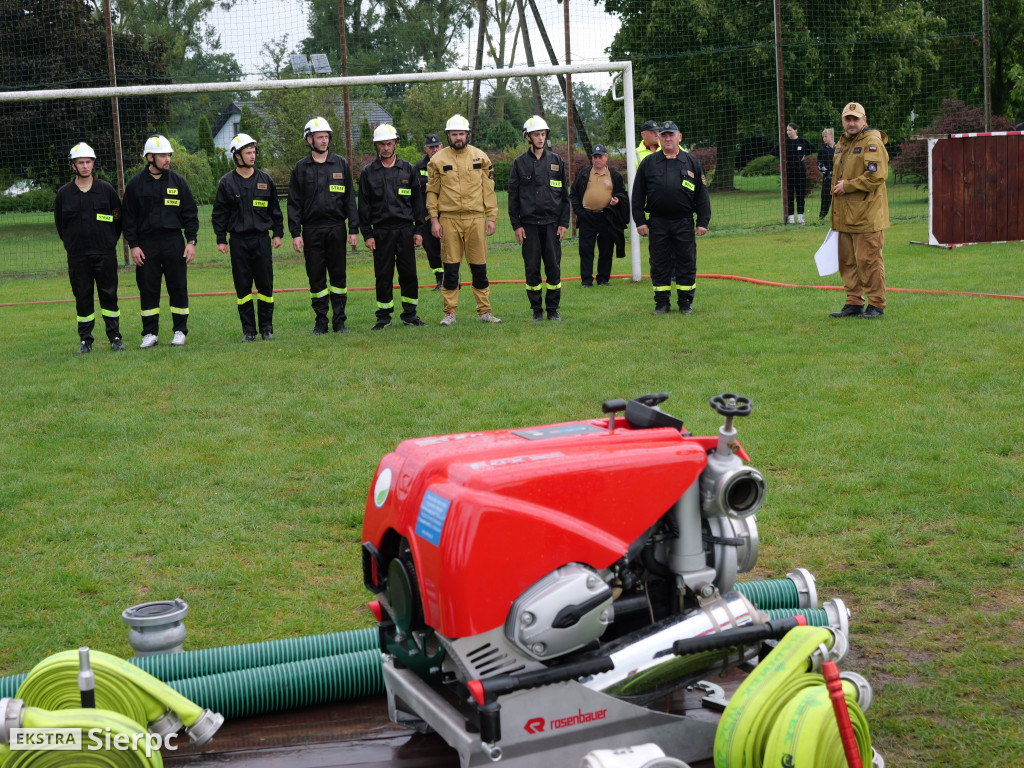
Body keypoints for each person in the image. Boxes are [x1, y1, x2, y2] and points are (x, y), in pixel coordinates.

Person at [122, 135, 199, 349]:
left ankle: (180, 331)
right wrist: (134, 245)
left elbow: (191, 214)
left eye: (169, 155)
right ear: (150, 157)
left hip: (174, 242)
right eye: (163, 155)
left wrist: (191, 241)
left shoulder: (178, 182)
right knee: (148, 288)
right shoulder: (136, 184)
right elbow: (128, 219)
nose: (168, 159)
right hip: (146, 245)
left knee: (178, 287)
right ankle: (149, 333)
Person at [426, 113, 501, 326]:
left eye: (461, 133)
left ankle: (484, 311)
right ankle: (450, 313)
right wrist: (434, 219)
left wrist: (491, 217)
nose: (458, 137)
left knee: (479, 267)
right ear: (448, 136)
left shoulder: (481, 158)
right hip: (449, 220)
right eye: (454, 134)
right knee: (450, 268)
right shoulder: (437, 160)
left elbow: (489, 189)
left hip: (476, 218)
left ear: (467, 134)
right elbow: (432, 192)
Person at [288, 116, 359, 335]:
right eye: (319, 137)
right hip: (311, 230)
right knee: (316, 276)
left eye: (326, 137)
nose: (324, 141)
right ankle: (321, 322)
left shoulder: (340, 164)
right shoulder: (301, 168)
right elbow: (294, 203)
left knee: (338, 276)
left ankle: (339, 321)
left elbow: (350, 200)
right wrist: (295, 233)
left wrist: (353, 229)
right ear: (309, 140)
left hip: (336, 228)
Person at [631, 121, 711, 315]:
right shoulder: (649, 163)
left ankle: (685, 303)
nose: (668, 139)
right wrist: (640, 220)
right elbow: (638, 194)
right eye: (664, 135)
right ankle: (662, 303)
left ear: (679, 137)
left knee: (686, 261)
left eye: (671, 135)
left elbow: (702, 194)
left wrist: (703, 221)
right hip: (657, 221)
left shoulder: (691, 162)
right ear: (659, 138)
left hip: (684, 221)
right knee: (659, 263)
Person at [54, 142, 125, 353]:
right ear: (73, 166)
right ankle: (86, 340)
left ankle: (115, 337)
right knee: (82, 297)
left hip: (105, 254)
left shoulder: (106, 190)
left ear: (93, 164)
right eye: (80, 162)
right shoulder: (64, 194)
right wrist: (71, 244)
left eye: (88, 162)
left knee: (109, 295)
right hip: (78, 256)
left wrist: (109, 242)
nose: (85, 166)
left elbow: (117, 218)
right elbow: (60, 224)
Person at [212, 133, 283, 341]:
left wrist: (277, 233)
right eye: (248, 152)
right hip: (238, 242)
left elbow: (275, 211)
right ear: (237, 156)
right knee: (243, 287)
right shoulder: (226, 182)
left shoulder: (265, 179)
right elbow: (219, 214)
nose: (252, 156)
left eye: (254, 152)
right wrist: (220, 238)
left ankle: (267, 329)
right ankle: (249, 331)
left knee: (265, 286)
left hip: (261, 240)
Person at [358, 124, 426, 330]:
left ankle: (410, 314)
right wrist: (367, 234)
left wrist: (418, 230)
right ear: (376, 146)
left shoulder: (408, 169)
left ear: (395, 143)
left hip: (405, 230)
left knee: (409, 274)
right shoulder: (369, 173)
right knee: (383, 274)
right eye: (381, 144)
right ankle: (384, 317)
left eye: (389, 143)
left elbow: (417, 203)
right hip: (381, 232)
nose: (386, 148)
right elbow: (364, 206)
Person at [829, 102, 889, 319]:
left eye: (856, 118)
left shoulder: (872, 142)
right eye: (848, 119)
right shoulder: (843, 142)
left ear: (864, 120)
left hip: (866, 215)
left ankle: (876, 304)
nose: (851, 122)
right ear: (843, 121)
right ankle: (853, 302)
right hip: (844, 215)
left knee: (868, 260)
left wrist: (848, 185)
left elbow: (876, 176)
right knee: (847, 262)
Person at [508, 115, 570, 322]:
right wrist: (517, 225)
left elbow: (564, 197)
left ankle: (553, 310)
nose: (541, 138)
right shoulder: (519, 163)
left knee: (553, 267)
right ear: (528, 137)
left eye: (543, 134)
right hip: (529, 226)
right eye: (536, 135)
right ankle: (536, 310)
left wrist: (563, 223)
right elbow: (513, 197)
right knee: (532, 269)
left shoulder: (556, 161)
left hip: (552, 225)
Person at [570, 144, 627, 288]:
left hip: (606, 217)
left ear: (606, 157)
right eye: (595, 157)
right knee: (586, 250)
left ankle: (603, 279)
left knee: (606, 250)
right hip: (587, 217)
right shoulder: (584, 174)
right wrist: (580, 212)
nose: (597, 160)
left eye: (600, 156)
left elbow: (622, 193)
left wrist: (617, 200)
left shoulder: (614, 176)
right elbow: (574, 194)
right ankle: (586, 280)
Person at [413, 133, 444, 291]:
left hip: (446, 214)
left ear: (442, 146)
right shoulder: (418, 167)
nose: (435, 149)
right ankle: (439, 280)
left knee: (449, 249)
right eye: (431, 147)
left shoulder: (448, 163)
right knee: (432, 250)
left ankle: (452, 280)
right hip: (426, 215)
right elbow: (418, 186)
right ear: (426, 149)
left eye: (437, 146)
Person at [785, 122, 814, 224]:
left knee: (800, 195)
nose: (788, 132)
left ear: (795, 130)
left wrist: (804, 154)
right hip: (789, 172)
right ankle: (791, 217)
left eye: (790, 130)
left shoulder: (802, 141)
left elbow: (813, 148)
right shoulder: (785, 142)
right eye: (787, 130)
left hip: (800, 172)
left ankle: (800, 217)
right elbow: (774, 151)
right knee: (790, 195)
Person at [817, 128, 836, 219]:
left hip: (839, 178)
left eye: (826, 136)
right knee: (825, 198)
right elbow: (819, 165)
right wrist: (828, 173)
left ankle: (838, 217)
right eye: (823, 137)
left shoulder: (839, 148)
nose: (824, 138)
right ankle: (822, 216)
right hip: (827, 178)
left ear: (831, 136)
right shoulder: (822, 150)